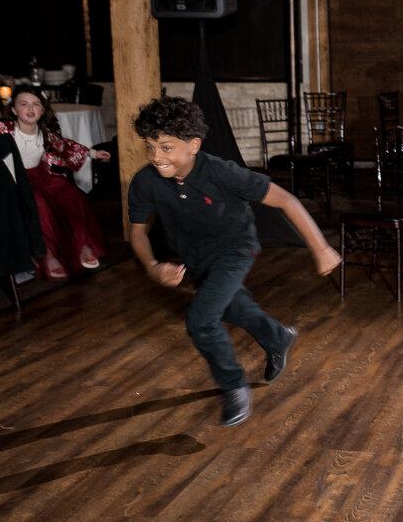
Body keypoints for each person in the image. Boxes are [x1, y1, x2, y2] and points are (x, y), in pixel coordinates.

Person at [128, 96, 341, 427]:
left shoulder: (221, 173)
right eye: (150, 147)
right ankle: (277, 338)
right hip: (195, 257)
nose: (157, 156)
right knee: (232, 307)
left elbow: (285, 199)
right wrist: (153, 267)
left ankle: (234, 385)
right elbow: (138, 233)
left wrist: (321, 248)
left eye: (166, 147)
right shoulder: (145, 182)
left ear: (193, 145)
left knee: (201, 319)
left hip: (234, 248)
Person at [0, 86, 110, 280]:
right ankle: (48, 254)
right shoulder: (2, 130)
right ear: (13, 109)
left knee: (72, 195)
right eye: (24, 104)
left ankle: (83, 246)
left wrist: (93, 153)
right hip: (13, 181)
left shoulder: (45, 133)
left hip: (42, 177)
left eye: (36, 104)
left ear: (42, 109)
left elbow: (66, 146)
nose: (30, 109)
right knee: (39, 204)